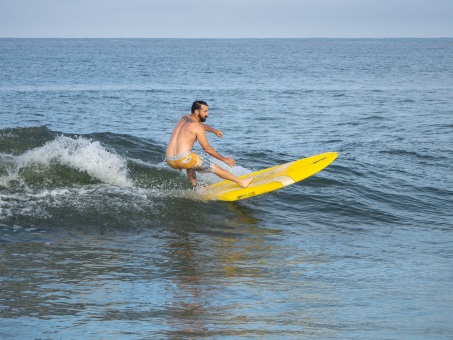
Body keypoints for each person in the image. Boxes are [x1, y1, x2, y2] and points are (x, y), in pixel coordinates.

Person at [166, 100, 253, 189]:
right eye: (205, 111)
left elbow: (197, 125)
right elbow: (207, 148)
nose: (207, 114)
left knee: (192, 157)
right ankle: (242, 182)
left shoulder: (184, 118)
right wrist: (224, 159)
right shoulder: (198, 127)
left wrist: (213, 130)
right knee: (215, 168)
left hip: (170, 160)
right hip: (184, 159)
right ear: (196, 111)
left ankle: (195, 186)